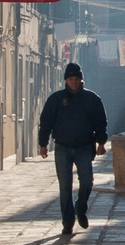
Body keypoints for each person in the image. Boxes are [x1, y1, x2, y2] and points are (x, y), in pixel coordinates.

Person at [38, 62, 108, 235]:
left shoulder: (92, 99)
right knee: (65, 186)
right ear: (66, 80)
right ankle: (67, 222)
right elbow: (46, 122)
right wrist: (43, 144)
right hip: (62, 147)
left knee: (86, 181)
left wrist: (101, 142)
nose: (74, 82)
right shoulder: (55, 99)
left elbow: (100, 122)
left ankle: (81, 207)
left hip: (84, 146)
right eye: (71, 79)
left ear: (81, 80)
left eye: (77, 79)